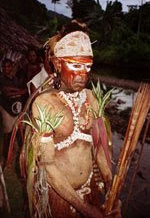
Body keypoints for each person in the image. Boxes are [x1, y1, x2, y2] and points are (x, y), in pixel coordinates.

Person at [20, 20, 120, 218]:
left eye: (88, 66)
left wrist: (111, 187)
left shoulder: (92, 98)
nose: (83, 75)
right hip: (61, 197)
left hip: (90, 188)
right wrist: (85, 209)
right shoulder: (44, 103)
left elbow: (99, 148)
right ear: (57, 63)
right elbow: (47, 166)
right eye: (75, 65)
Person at [0, 59, 28, 168]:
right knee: (8, 135)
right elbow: (6, 91)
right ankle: (6, 159)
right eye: (5, 67)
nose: (7, 69)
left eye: (9, 66)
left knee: (21, 134)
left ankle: (23, 158)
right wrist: (19, 91)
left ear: (12, 67)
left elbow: (25, 90)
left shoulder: (16, 79)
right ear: (2, 68)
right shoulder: (2, 79)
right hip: (7, 109)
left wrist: (17, 91)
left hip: (18, 109)